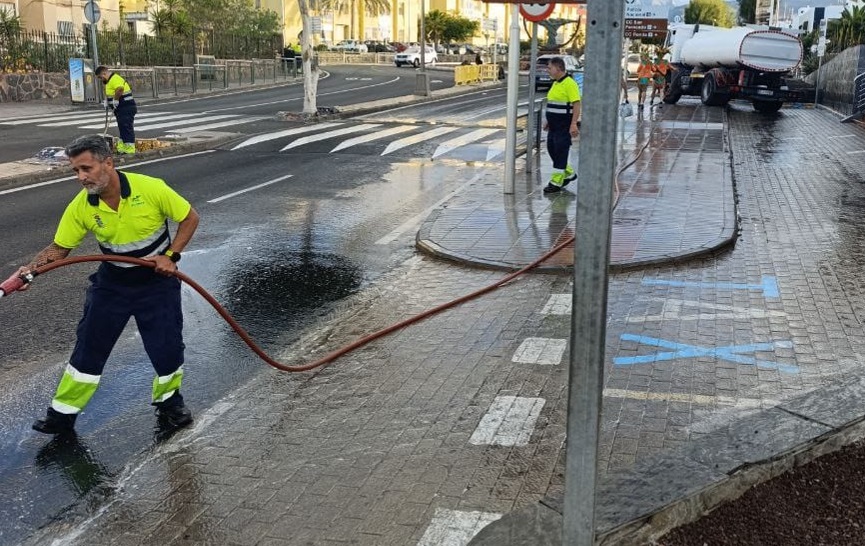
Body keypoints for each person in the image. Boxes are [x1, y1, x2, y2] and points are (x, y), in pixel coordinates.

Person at [16, 135, 200, 435]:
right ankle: (62, 414)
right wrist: (28, 272)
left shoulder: (150, 189)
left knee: (166, 345)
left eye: (86, 168)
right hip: (112, 283)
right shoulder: (82, 206)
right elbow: (60, 248)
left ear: (109, 163)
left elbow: (190, 217)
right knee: (90, 345)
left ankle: (170, 404)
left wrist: (171, 256)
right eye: (76, 171)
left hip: (156, 282)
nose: (81, 177)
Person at [542, 57, 581, 194]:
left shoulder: (569, 84)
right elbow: (553, 103)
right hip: (553, 125)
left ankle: (556, 182)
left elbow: (576, 104)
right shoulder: (556, 83)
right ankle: (569, 174)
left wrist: (573, 124)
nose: (548, 70)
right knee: (552, 149)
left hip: (563, 125)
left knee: (560, 151)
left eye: (550, 68)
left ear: (558, 68)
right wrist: (548, 120)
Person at [96, 66, 137, 155]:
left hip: (126, 107)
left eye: (100, 77)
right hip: (121, 108)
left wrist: (115, 100)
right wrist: (107, 101)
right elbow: (111, 92)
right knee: (122, 127)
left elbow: (120, 89)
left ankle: (130, 150)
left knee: (126, 127)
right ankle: (122, 148)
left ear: (104, 73)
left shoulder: (114, 78)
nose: (100, 79)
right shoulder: (109, 81)